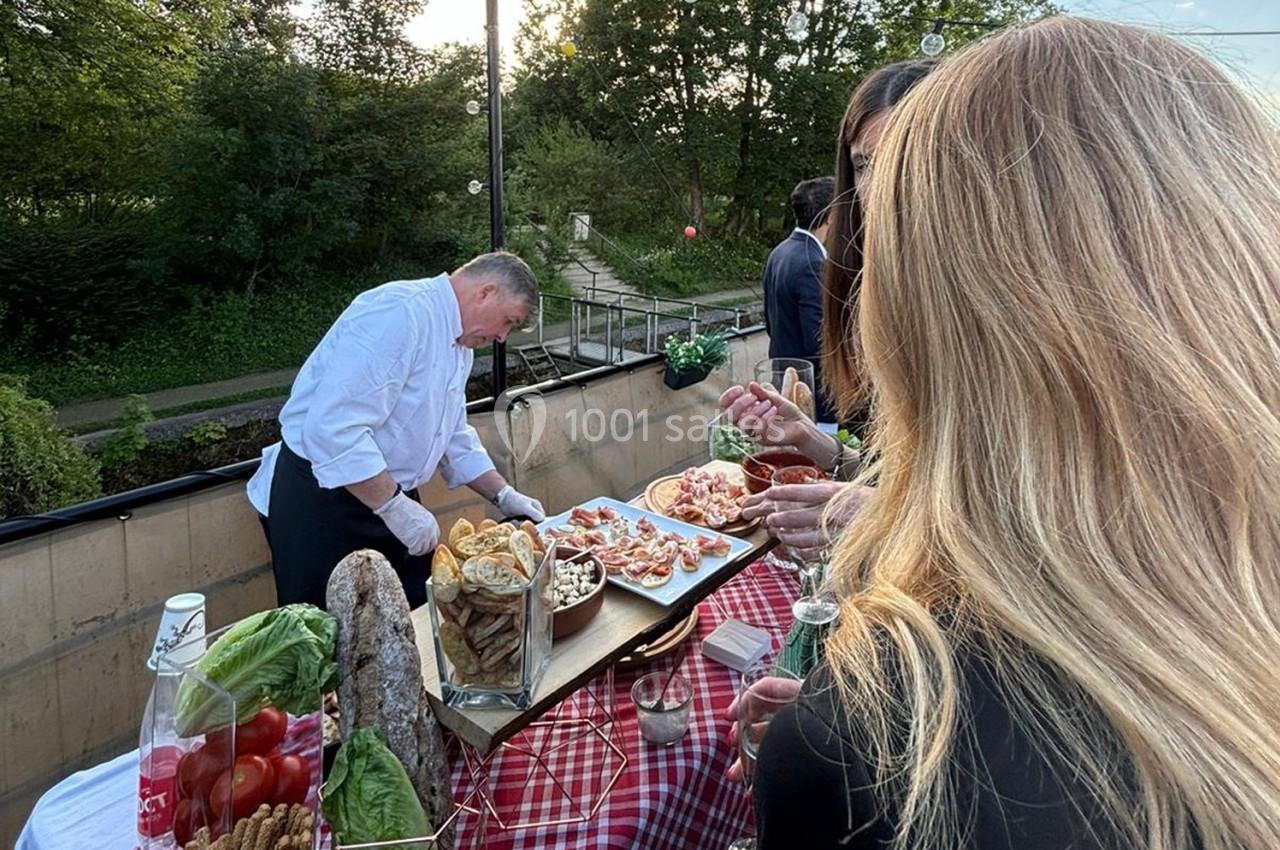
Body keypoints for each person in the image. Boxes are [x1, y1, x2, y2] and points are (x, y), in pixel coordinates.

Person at [742, 16, 1280, 850]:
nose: (881, 204)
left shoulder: (860, 753)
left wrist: (838, 723)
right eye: (865, 167)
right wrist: (831, 457)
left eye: (908, 171)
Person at [247, 252, 547, 610]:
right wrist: (394, 507)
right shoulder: (400, 313)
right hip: (324, 501)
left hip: (387, 496)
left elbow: (452, 434)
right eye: (508, 322)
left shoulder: (460, 345)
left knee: (411, 616)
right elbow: (333, 428)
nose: (501, 337)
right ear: (486, 292)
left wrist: (503, 494)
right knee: (328, 627)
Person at [722, 60, 935, 561]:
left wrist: (878, 517)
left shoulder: (1011, 317)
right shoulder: (876, 287)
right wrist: (810, 438)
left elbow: (1036, 537)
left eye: (905, 157)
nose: (879, 188)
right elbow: (898, 477)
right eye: (864, 164)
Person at [761, 176, 837, 423]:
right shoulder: (813, 262)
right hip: (811, 396)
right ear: (831, 217)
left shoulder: (779, 251)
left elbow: (770, 323)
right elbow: (818, 343)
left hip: (782, 379)